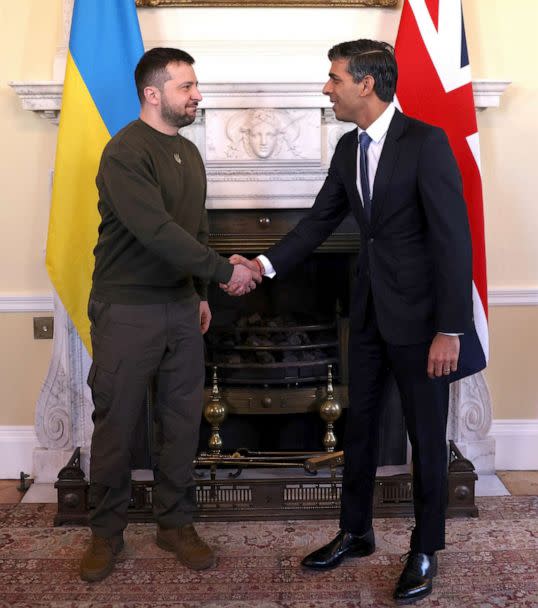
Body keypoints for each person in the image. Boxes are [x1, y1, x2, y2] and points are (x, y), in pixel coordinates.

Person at [228, 39, 474, 604]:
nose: (326, 87)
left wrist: (450, 328)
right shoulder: (347, 148)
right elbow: (317, 223)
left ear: (367, 83)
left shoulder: (426, 143)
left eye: (334, 77)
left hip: (423, 325)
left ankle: (425, 547)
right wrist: (260, 265)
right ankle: (356, 531)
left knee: (425, 439)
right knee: (359, 429)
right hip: (366, 317)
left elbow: (453, 241)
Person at [80, 47, 260, 583]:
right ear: (153, 93)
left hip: (182, 308)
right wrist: (226, 273)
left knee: (181, 423)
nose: (197, 95)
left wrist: (202, 289)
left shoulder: (188, 153)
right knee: (117, 424)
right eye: (186, 86)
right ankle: (106, 533)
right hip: (126, 309)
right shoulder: (124, 153)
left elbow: (194, 229)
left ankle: (174, 523)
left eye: (195, 85)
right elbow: (156, 233)